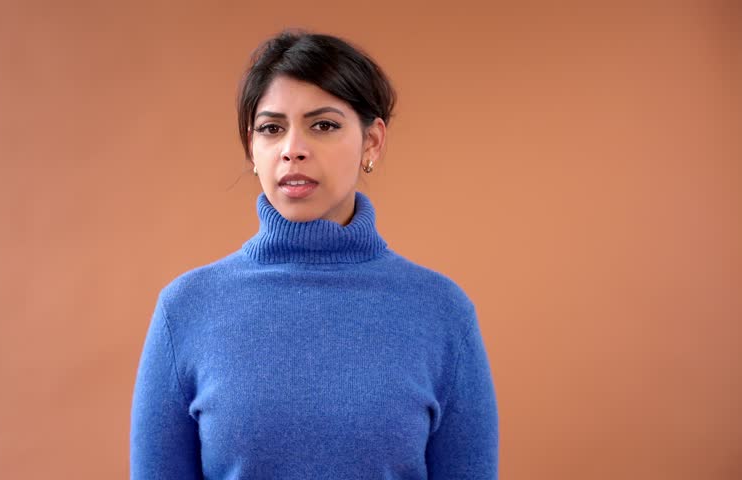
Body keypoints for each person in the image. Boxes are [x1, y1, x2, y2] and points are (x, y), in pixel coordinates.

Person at [130, 29, 499, 479]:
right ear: (252, 147)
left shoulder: (442, 311)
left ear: (372, 142)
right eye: (272, 129)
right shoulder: (185, 308)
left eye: (323, 125)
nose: (292, 150)